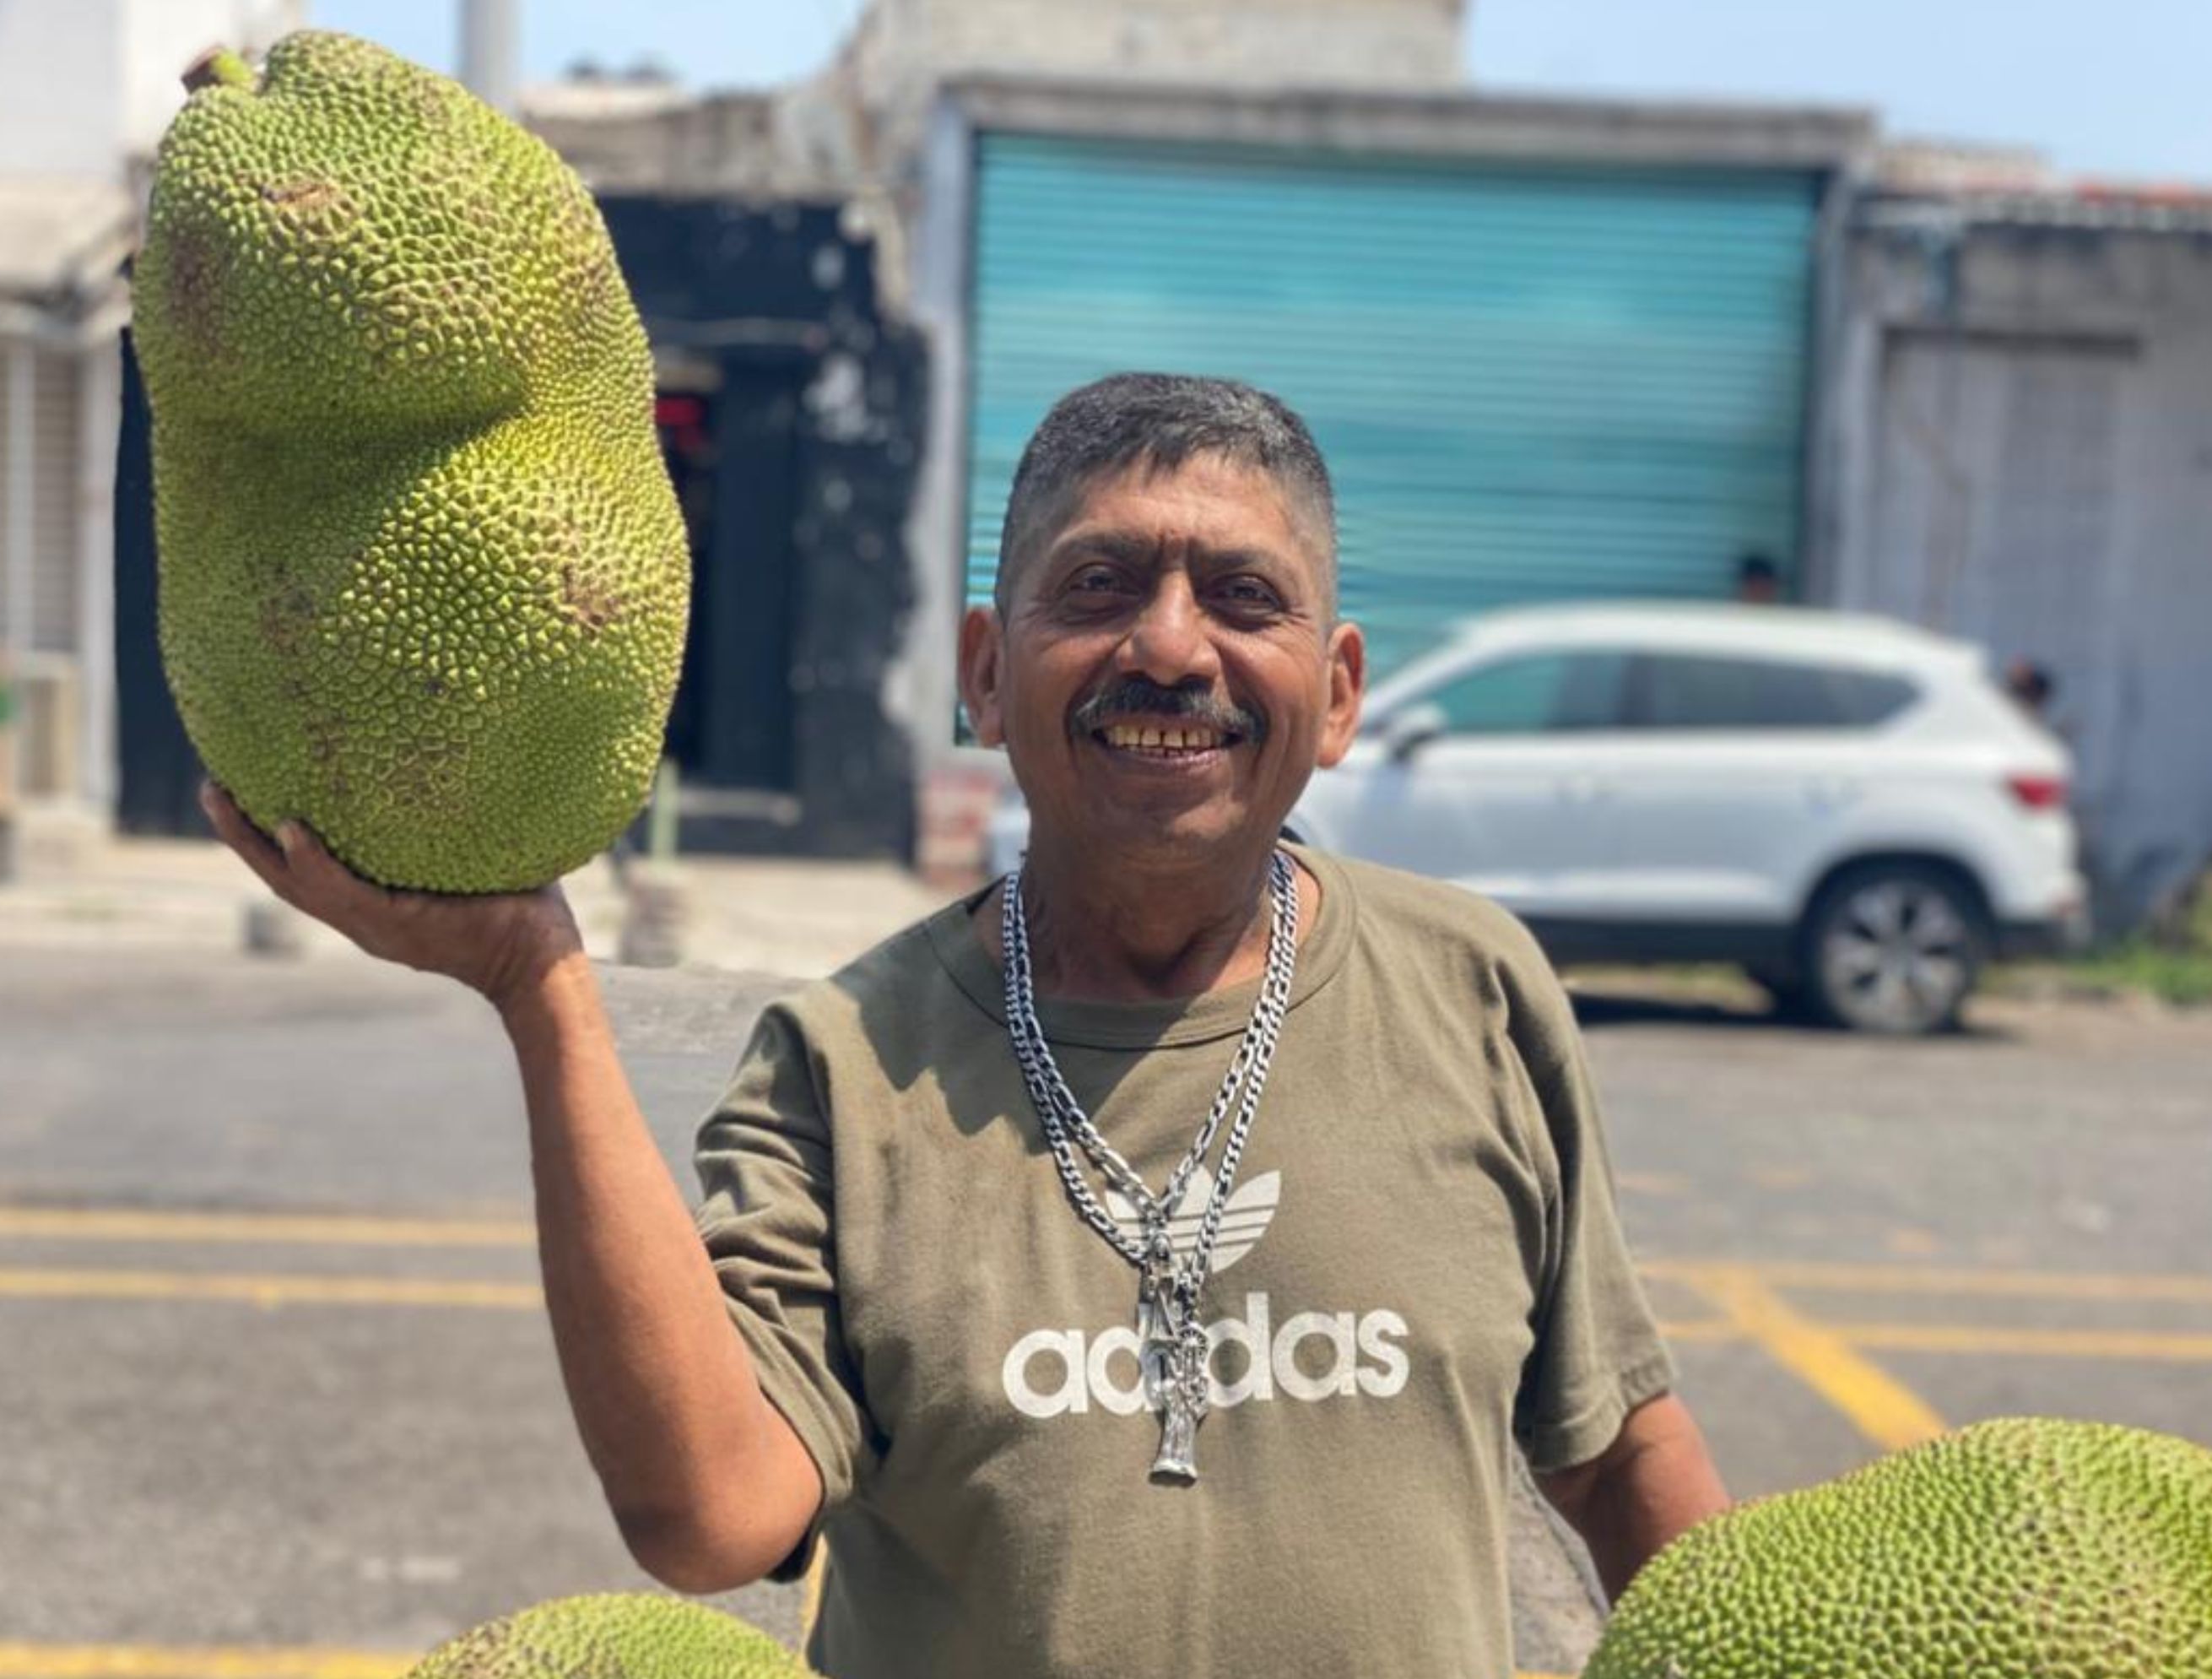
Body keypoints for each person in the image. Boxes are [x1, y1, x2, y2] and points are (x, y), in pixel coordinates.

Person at [202, 372, 1730, 1677]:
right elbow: (711, 1515)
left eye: (1243, 596)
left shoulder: (1475, 987)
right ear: (987, 678)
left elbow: (1612, 1448)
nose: (1171, 646)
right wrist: (542, 989)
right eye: (1101, 586)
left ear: (1337, 696)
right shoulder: (841, 1066)